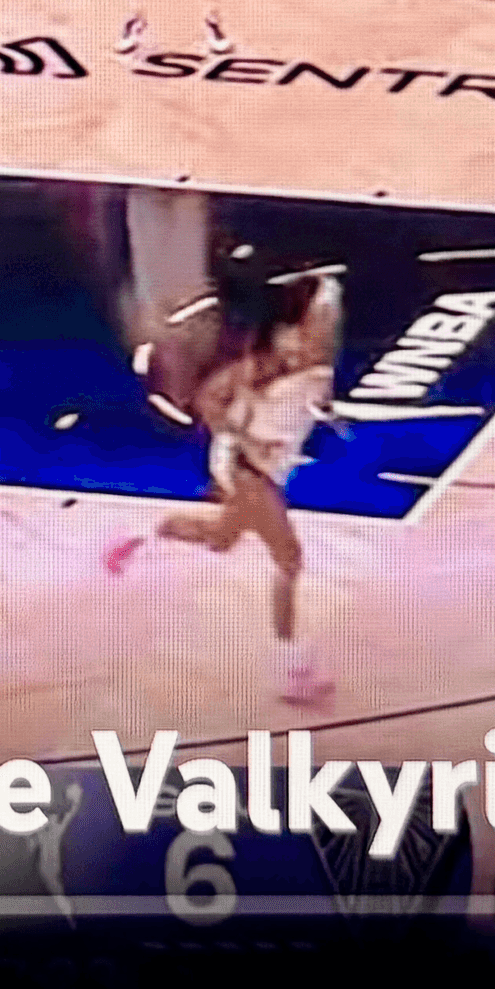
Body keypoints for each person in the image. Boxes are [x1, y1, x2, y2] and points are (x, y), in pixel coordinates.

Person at [100, 239, 346, 707]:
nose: (330, 322)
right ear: (299, 324)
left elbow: (308, 398)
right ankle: (291, 671)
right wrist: (239, 434)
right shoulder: (271, 362)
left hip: (265, 463)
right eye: (323, 315)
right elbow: (209, 399)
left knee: (222, 539)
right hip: (247, 466)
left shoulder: (315, 363)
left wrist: (324, 415)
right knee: (289, 559)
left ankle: (140, 535)